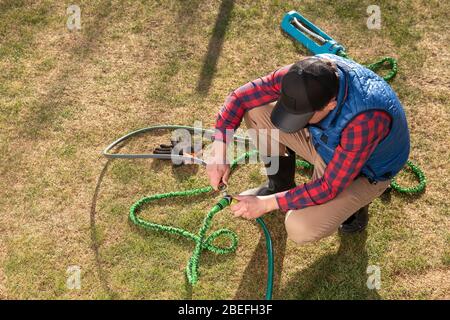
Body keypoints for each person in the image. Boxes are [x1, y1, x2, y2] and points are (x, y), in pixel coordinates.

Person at [206, 54, 410, 244]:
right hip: (325, 142)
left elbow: (329, 187)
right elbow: (240, 98)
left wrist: (265, 204)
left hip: (365, 171)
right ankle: (279, 185)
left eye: (302, 116)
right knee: (255, 111)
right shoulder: (303, 75)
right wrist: (219, 151)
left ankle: (354, 210)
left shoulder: (364, 120)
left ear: (331, 104)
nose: (290, 121)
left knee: (299, 227)